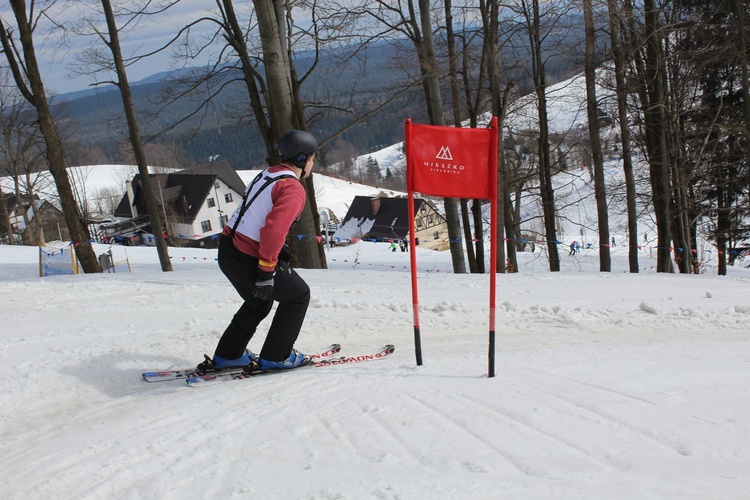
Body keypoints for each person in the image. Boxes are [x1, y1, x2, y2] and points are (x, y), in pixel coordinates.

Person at [198, 129, 318, 373]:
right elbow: (272, 231)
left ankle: (229, 356)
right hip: (248, 257)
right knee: (298, 296)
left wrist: (277, 249)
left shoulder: (267, 175)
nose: (313, 164)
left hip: (229, 251)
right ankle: (276, 356)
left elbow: (256, 216)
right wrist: (266, 272)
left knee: (258, 303)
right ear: (302, 159)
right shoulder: (293, 188)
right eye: (313, 159)